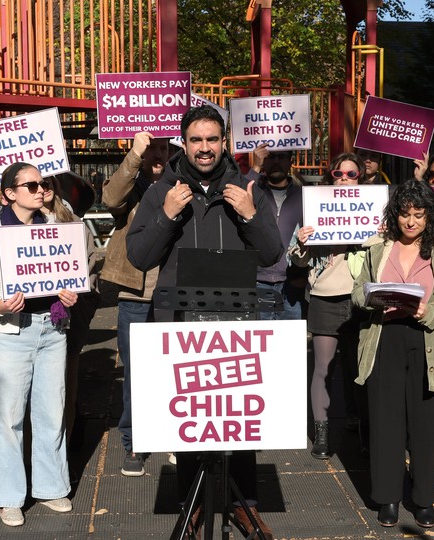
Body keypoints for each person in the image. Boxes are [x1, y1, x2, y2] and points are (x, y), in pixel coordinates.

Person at [126, 105, 282, 539]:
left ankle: (244, 505)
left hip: (236, 323)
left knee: (239, 418)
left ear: (224, 142)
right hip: (179, 322)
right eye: (196, 140)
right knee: (191, 421)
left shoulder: (249, 186)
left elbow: (272, 254)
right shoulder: (163, 190)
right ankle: (190, 505)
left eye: (213, 139)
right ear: (184, 143)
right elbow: (139, 256)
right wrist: (166, 215)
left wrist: (251, 214)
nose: (205, 148)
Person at [0, 162, 80, 527]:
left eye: (43, 183)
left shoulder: (56, 229)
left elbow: (70, 274)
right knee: (6, 416)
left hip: (53, 328)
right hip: (9, 332)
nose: (40, 189)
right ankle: (7, 496)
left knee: (51, 411)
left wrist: (69, 293)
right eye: (30, 185)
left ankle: (51, 487)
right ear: (10, 193)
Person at [351, 180, 434, 529]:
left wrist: (428, 311)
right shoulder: (376, 247)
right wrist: (370, 299)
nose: (411, 222)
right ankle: (387, 498)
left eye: (419, 215)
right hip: (384, 338)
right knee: (386, 423)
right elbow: (358, 289)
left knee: (426, 425)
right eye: (405, 214)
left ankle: (423, 499)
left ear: (430, 215)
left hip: (428, 340)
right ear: (395, 215)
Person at [99, 131, 171, 476]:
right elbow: (111, 198)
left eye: (163, 148)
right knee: (136, 372)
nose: (157, 154)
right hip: (135, 292)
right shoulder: (132, 184)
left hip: (174, 291)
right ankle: (135, 442)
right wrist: (134, 154)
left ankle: (174, 434)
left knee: (176, 369)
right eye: (151, 148)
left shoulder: (182, 181)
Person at [289, 152, 366, 459]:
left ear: (361, 177)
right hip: (324, 297)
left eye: (351, 173)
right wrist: (303, 244)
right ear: (330, 178)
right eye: (338, 174)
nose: (345, 179)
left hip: (362, 299)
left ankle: (361, 425)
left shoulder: (376, 211)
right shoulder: (314, 210)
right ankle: (322, 433)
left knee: (360, 371)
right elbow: (294, 258)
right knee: (323, 368)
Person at [250, 143, 306, 321]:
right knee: (261, 344)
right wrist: (254, 167)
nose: (276, 162)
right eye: (271, 157)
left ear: (290, 162)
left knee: (290, 347)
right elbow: (237, 194)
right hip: (257, 281)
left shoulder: (305, 196)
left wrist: (303, 275)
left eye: (281, 157)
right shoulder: (253, 191)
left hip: (292, 283)